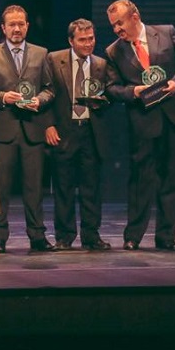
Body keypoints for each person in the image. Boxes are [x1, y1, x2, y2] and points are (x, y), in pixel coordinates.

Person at [104, 0, 175, 251]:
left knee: (171, 179)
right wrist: (134, 91)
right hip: (143, 122)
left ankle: (166, 237)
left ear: (135, 16)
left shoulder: (166, 32)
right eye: (113, 25)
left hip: (174, 117)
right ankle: (133, 236)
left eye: (120, 23)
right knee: (140, 181)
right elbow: (112, 89)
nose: (117, 29)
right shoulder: (114, 51)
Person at [0, 4, 55, 253]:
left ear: (27, 26)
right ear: (3, 27)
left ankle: (37, 237)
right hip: (3, 131)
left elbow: (50, 88)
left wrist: (40, 100)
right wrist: (4, 97)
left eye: (21, 24)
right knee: (0, 188)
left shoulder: (41, 53)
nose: (16, 28)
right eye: (12, 24)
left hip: (32, 130)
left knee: (34, 189)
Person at [44, 19, 112, 251]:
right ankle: (64, 237)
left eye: (91, 38)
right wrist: (48, 125)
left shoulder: (102, 64)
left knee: (91, 188)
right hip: (64, 131)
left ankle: (91, 235)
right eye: (82, 40)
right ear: (71, 41)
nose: (88, 44)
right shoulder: (54, 59)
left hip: (91, 132)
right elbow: (46, 93)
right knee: (63, 187)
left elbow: (110, 95)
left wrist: (102, 102)